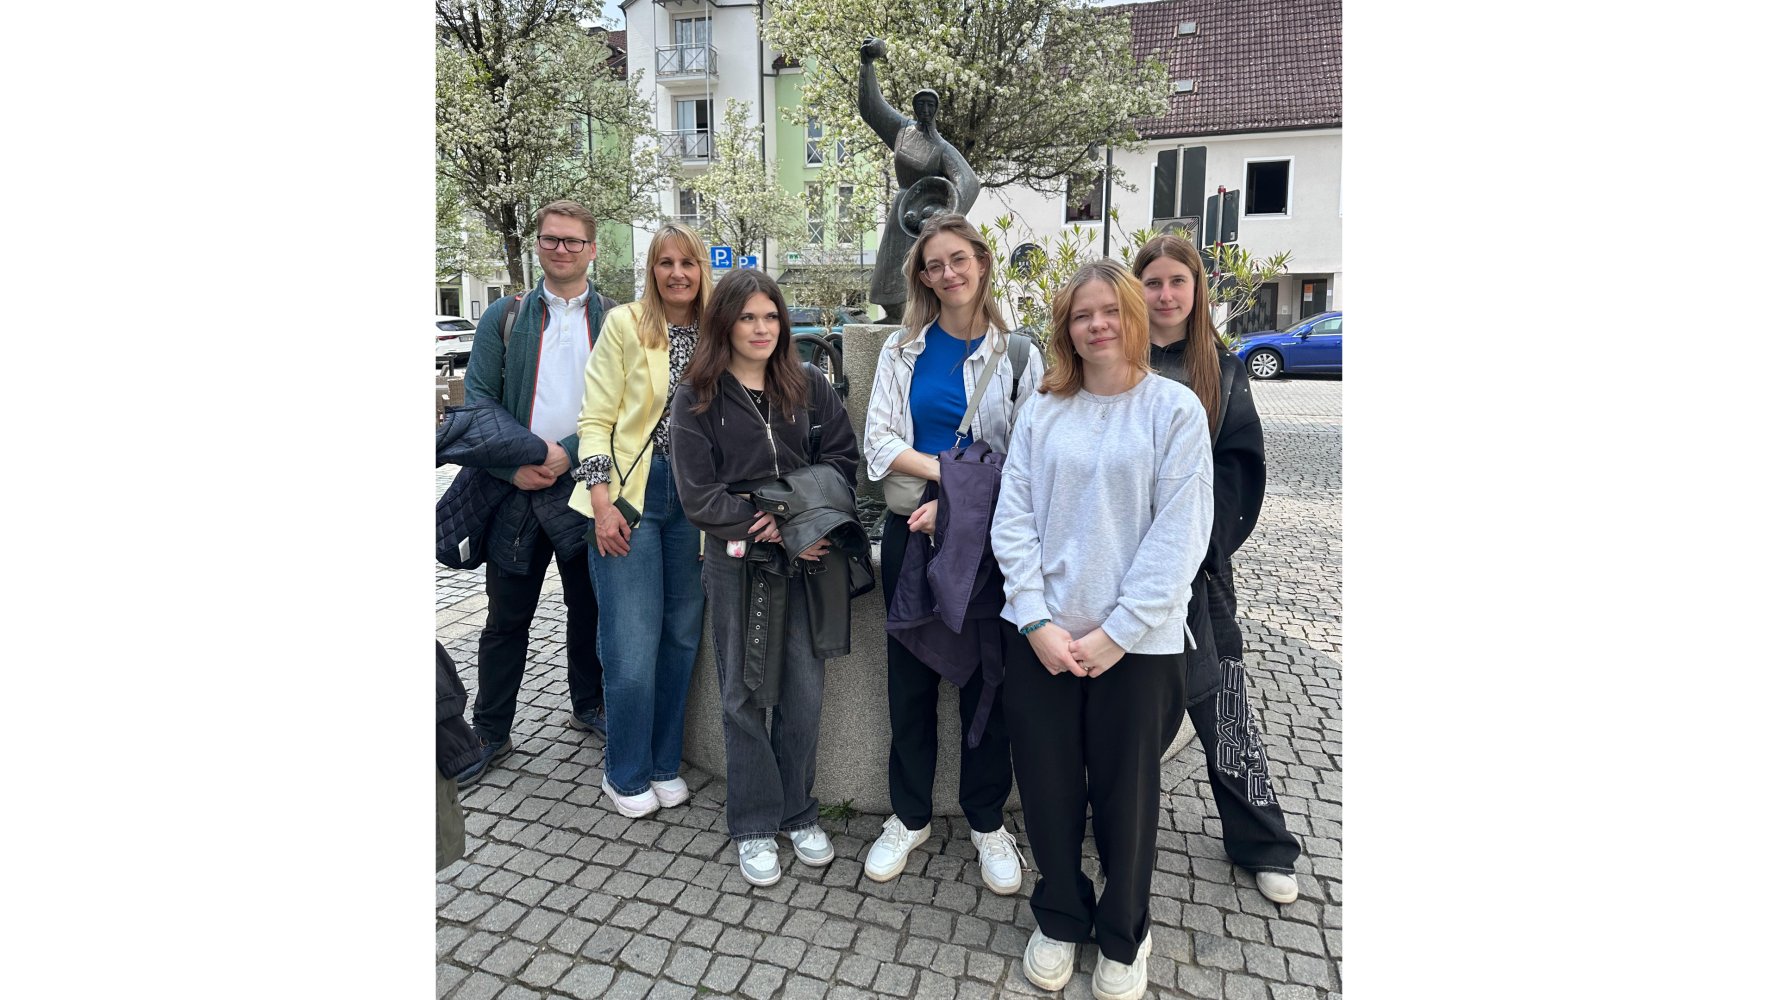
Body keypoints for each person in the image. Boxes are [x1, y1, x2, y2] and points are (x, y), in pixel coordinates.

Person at [992, 259, 1213, 1000]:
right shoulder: (1042, 410)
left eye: (1111, 311)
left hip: (1139, 647)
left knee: (1128, 796)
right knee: (1048, 788)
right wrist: (1035, 620)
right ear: (1066, 327)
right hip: (1042, 639)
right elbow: (1013, 519)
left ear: (1134, 317)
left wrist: (1117, 632)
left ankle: (1124, 931)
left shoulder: (1174, 411)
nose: (1097, 325)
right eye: (1082, 314)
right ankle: (1060, 914)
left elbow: (1181, 534)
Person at [860, 213, 1038, 896]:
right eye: (934, 264)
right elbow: (879, 444)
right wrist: (950, 481)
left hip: (988, 538)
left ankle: (987, 820)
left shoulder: (1017, 355)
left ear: (982, 262)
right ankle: (908, 815)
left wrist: (962, 503)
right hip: (913, 529)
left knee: (986, 682)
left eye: (958, 259)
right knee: (908, 682)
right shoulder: (902, 349)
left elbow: (1029, 458)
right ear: (923, 276)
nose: (947, 273)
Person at [669, 269, 861, 886]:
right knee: (743, 694)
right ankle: (753, 821)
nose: (761, 328)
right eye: (747, 317)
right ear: (724, 323)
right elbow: (698, 493)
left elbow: (843, 462)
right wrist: (766, 523)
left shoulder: (809, 385)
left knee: (804, 689)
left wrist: (799, 522)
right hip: (737, 562)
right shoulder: (696, 396)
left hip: (808, 558)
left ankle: (798, 811)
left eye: (770, 316)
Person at [1134, 234, 1303, 904]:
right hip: (1121, 568)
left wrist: (1198, 546)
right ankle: (1109, 813)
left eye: (1178, 281)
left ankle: (1262, 840)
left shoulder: (1224, 370)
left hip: (1197, 571)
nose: (1165, 295)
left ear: (1197, 289)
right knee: (1128, 705)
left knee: (1221, 701)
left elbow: (1239, 467)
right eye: (1153, 282)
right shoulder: (1114, 358)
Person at [452, 200, 609, 786]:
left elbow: (624, 404)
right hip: (517, 490)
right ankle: (491, 729)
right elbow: (479, 400)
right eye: (551, 239)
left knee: (588, 608)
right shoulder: (506, 315)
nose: (561, 249)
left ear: (592, 249)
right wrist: (514, 465)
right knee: (505, 618)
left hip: (586, 485)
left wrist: (566, 450)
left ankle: (589, 704)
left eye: (573, 241)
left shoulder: (615, 319)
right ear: (537, 244)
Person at [568, 222, 711, 818]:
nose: (677, 273)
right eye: (665, 262)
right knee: (631, 642)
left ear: (702, 270)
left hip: (695, 500)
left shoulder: (716, 331)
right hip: (630, 496)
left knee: (680, 637)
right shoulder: (626, 324)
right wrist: (601, 505)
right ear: (652, 270)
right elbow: (594, 420)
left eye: (688, 262)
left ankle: (662, 763)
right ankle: (624, 771)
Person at [856, 38, 981, 324]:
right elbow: (872, 108)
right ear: (914, 107)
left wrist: (946, 215)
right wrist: (867, 64)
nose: (925, 110)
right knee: (890, 266)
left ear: (935, 110)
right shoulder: (901, 131)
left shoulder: (942, 148)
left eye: (930, 105)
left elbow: (969, 181)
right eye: (920, 105)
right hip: (902, 210)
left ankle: (923, 316)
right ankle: (894, 315)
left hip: (926, 218)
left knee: (925, 267)